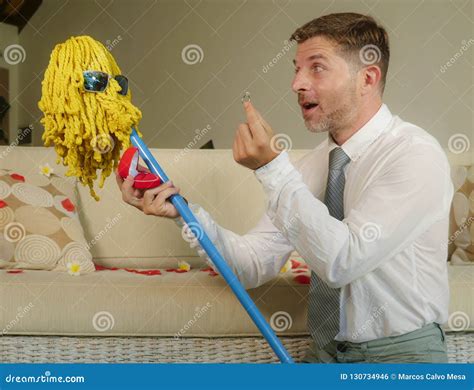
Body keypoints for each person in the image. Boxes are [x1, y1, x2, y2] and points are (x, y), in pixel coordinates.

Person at [116, 12, 454, 363]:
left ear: (367, 78)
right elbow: (250, 265)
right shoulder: (311, 166)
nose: (297, 84)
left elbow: (343, 261)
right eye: (296, 68)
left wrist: (271, 168)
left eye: (317, 68)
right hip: (323, 355)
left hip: (401, 358)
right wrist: (181, 211)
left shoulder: (415, 155)